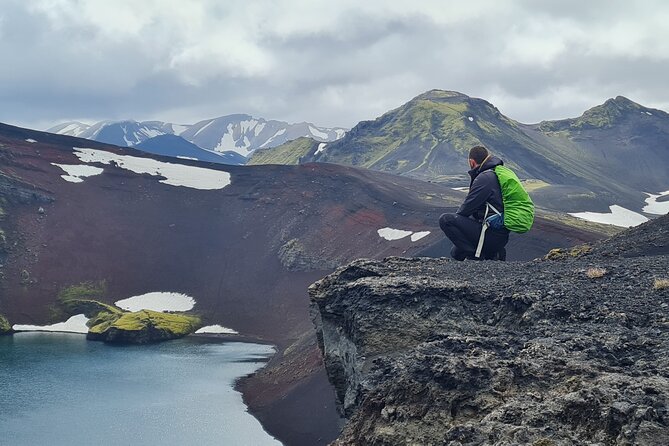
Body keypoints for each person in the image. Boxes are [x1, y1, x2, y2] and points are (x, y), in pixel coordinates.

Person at [439, 145, 509, 261]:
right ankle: (494, 253)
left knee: (446, 220)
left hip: (490, 235)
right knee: (456, 253)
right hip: (500, 235)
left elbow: (466, 210)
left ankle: (476, 257)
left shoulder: (484, 178)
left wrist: (458, 220)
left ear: (471, 162)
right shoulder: (495, 174)